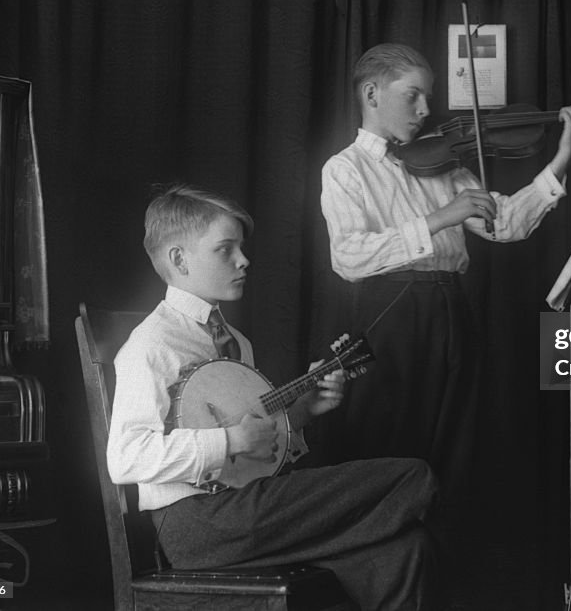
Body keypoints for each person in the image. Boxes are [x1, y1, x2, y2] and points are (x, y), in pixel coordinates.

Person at [106, 184, 439, 611]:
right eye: (225, 249)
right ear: (179, 259)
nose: (243, 260)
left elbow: (253, 456)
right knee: (414, 477)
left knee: (405, 551)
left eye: (240, 249)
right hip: (198, 525)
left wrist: (301, 412)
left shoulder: (236, 343)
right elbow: (125, 457)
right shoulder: (151, 345)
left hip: (247, 508)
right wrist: (228, 442)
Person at [319, 43, 571, 497]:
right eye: (413, 96)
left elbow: (504, 225)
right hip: (391, 316)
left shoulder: (442, 164)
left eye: (428, 96)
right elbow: (349, 257)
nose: (426, 110)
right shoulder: (345, 169)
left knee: (456, 448)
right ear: (371, 94)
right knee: (392, 444)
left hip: (452, 308)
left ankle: (441, 554)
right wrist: (441, 217)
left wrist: (564, 154)